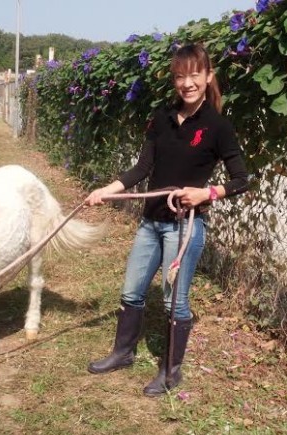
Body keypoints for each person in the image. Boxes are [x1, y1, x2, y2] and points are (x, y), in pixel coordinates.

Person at [84, 43, 250, 397]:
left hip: (184, 228)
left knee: (176, 301)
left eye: (194, 75)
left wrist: (207, 194)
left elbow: (241, 179)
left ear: (207, 77)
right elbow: (142, 169)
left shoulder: (218, 126)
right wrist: (106, 190)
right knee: (131, 291)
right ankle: (123, 352)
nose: (187, 83)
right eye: (179, 76)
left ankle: (171, 372)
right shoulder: (161, 118)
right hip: (150, 223)